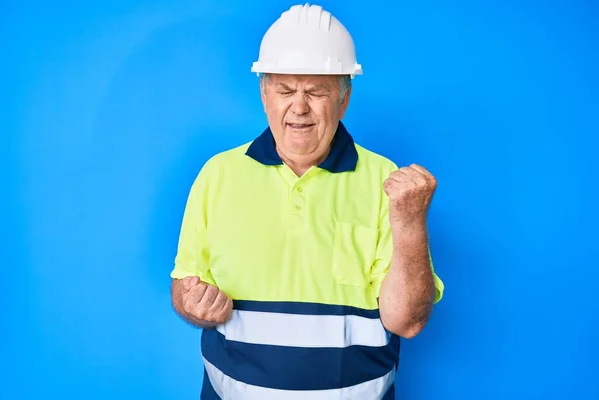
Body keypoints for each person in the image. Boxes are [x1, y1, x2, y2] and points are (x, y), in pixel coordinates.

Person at [170, 4, 444, 399]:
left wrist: (410, 221)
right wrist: (193, 303)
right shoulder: (218, 174)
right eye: (284, 90)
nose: (299, 107)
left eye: (316, 91)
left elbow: (407, 321)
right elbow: (184, 285)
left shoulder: (387, 181)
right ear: (265, 94)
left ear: (343, 99)